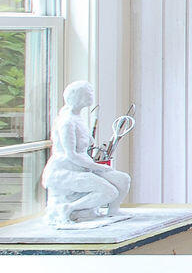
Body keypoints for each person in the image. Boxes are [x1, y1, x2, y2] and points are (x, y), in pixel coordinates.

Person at [42, 80, 131, 226]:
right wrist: (99, 166)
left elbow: (87, 144)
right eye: (88, 93)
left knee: (123, 179)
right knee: (110, 192)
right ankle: (68, 208)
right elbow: (71, 155)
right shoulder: (66, 122)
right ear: (77, 96)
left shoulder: (78, 118)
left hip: (84, 166)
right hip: (67, 170)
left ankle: (113, 211)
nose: (91, 95)